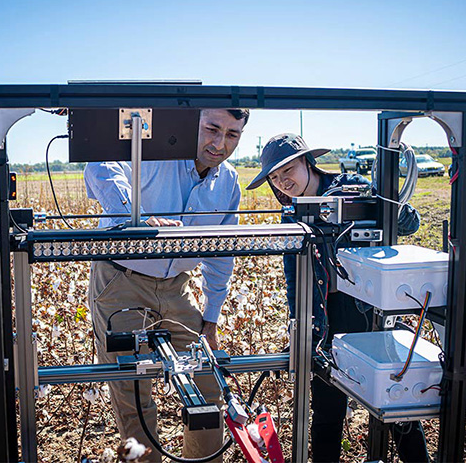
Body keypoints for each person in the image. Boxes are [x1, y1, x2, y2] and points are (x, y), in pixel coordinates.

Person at [246, 133, 429, 463]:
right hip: (323, 315)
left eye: (287, 170)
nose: (282, 181)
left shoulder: (351, 188)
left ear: (307, 162)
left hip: (370, 312)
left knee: (395, 403)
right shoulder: (292, 215)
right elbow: (294, 280)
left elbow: (409, 223)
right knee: (327, 411)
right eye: (274, 177)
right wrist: (299, 328)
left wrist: (390, 207)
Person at [84, 108, 249, 463]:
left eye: (232, 135)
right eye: (212, 129)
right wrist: (134, 219)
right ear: (194, 123)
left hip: (178, 286)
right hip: (120, 281)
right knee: (132, 392)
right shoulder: (156, 153)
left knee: (208, 383)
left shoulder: (229, 182)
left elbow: (221, 254)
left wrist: (212, 318)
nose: (219, 144)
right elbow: (101, 163)